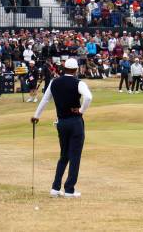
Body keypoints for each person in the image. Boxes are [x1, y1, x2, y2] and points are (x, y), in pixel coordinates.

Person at [31, 58, 93, 198]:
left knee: (64, 155)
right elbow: (88, 97)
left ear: (64, 68)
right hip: (75, 122)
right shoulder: (79, 83)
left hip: (61, 123)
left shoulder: (54, 82)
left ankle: (55, 188)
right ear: (76, 70)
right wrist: (81, 111)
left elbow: (45, 100)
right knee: (75, 156)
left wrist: (36, 116)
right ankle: (69, 190)